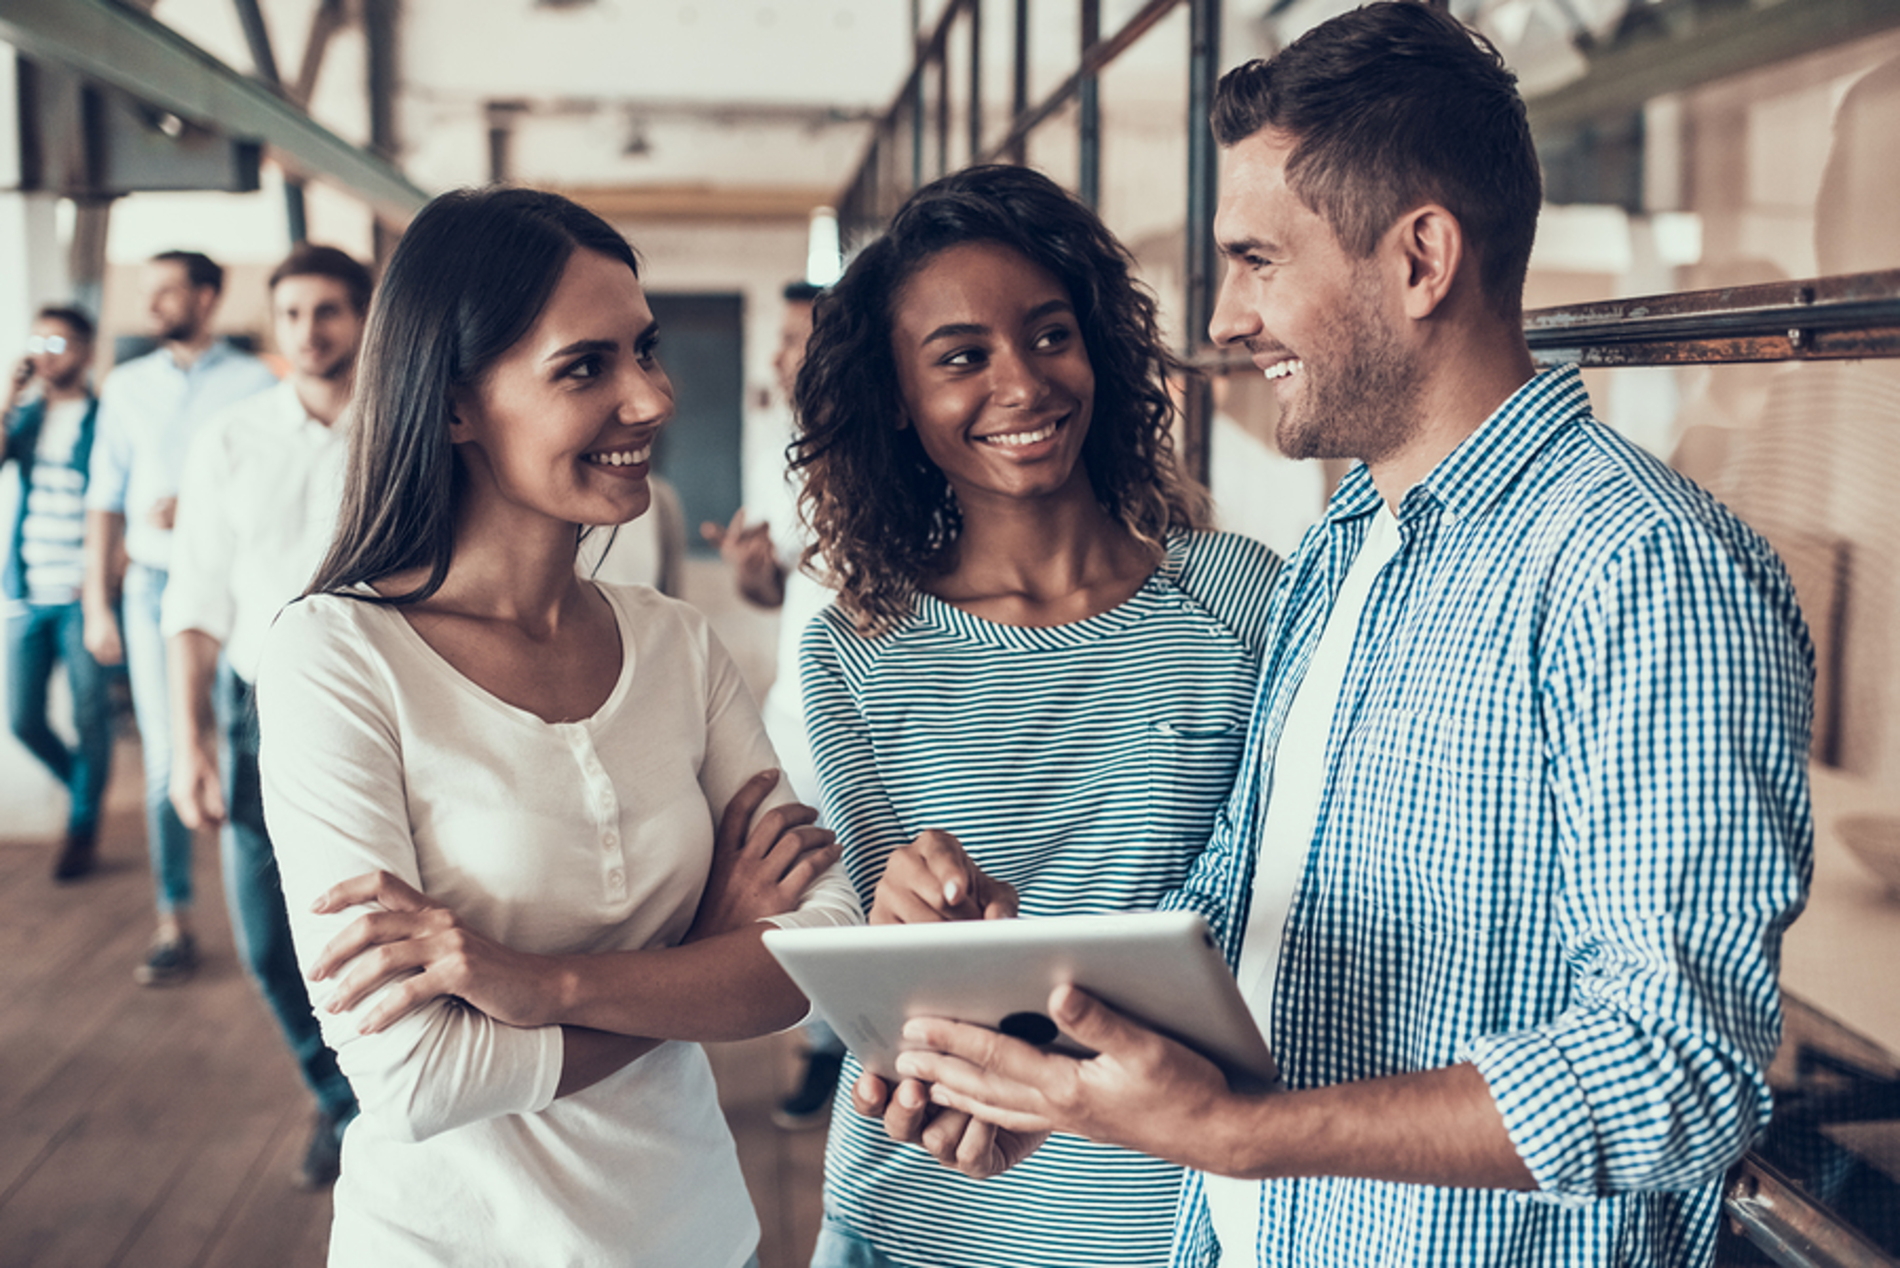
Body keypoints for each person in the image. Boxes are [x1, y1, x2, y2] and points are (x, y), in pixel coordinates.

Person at [886, 7, 1814, 1268]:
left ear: (1421, 257)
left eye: (1258, 259)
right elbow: (1240, 917)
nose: (1223, 319)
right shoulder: (1345, 548)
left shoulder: (1646, 572)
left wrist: (1244, 1130)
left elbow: (1676, 1070)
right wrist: (1045, 1048)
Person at [252, 187, 861, 1267]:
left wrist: (548, 984)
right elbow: (414, 1076)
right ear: (452, 406)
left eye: (646, 350)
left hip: (693, 1231)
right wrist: (703, 955)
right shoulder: (335, 657)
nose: (652, 396)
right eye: (586, 367)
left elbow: (822, 951)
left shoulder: (675, 644)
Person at [793, 164, 1282, 1268]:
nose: (1021, 383)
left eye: (1050, 335)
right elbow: (892, 977)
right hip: (912, 1208)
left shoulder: (1239, 599)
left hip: (1154, 1214)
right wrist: (901, 915)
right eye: (961, 357)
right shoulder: (855, 652)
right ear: (899, 399)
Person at [160, 243, 370, 1188]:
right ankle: (343, 1103)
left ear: (365, 318)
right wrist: (190, 741)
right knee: (263, 940)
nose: (310, 332)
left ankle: (398, 1107)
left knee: (376, 924)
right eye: (292, 315)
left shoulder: (407, 432)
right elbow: (194, 602)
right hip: (257, 709)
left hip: (380, 703)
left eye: (328, 310)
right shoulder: (232, 440)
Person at [82, 250, 278, 985]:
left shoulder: (257, 384)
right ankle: (175, 917)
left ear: (208, 294)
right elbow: (106, 499)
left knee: (242, 757)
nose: (155, 302)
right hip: (151, 589)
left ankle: (259, 909)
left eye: (169, 289)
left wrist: (200, 508)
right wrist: (98, 600)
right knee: (170, 757)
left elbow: (263, 494)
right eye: (148, 291)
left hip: (236, 586)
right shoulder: (126, 387)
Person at [702, 277, 848, 1130]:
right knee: (811, 881)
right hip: (798, 711)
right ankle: (823, 1039)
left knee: (864, 881)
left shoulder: (906, 449)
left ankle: (838, 1047)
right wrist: (753, 572)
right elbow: (776, 586)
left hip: (876, 715)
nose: (779, 357)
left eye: (797, 340)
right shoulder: (787, 451)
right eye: (781, 341)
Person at [3, 306, 112, 881]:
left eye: (61, 341)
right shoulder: (24, 418)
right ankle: (82, 791)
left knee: (92, 714)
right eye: (40, 339)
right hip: (26, 588)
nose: (49, 351)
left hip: (80, 590)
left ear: (87, 351)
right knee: (22, 718)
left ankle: (82, 827)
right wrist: (8, 392)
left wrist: (103, 578)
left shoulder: (104, 416)